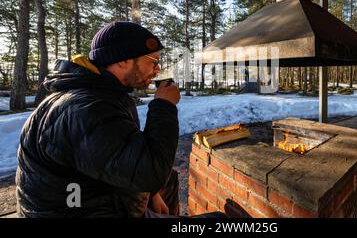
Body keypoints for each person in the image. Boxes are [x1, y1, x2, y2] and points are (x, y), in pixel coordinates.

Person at [15, 21, 221, 218]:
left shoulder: (103, 94)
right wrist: (164, 106)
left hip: (92, 196)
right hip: (78, 211)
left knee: (168, 182)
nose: (158, 69)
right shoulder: (87, 108)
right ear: (123, 59)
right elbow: (150, 173)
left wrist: (151, 193)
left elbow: (118, 154)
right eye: (153, 61)